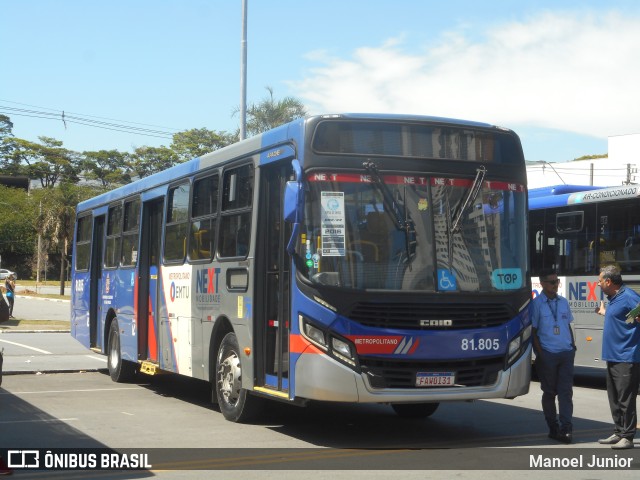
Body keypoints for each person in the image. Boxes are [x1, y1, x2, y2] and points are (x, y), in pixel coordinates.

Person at [595, 265, 640, 450]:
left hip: (626, 356)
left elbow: (637, 314)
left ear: (609, 281)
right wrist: (605, 313)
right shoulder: (613, 299)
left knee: (625, 398)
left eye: (600, 281)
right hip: (613, 356)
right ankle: (619, 431)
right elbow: (627, 318)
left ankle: (628, 436)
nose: (598, 284)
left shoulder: (629, 296)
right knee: (614, 397)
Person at [531, 268, 576, 443]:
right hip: (548, 354)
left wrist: (572, 347)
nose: (555, 285)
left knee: (566, 392)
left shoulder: (563, 302)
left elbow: (568, 325)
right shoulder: (537, 304)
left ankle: (566, 428)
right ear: (542, 283)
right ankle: (553, 427)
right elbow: (533, 332)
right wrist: (541, 355)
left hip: (566, 353)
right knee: (549, 393)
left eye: (557, 281)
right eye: (551, 282)